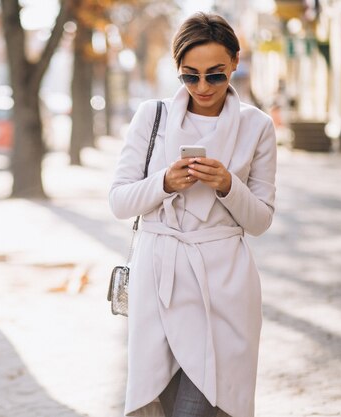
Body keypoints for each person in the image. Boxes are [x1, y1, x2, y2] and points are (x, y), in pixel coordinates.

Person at [109, 12, 277, 417]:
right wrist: (164, 182)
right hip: (159, 281)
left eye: (216, 75)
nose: (203, 87)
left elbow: (260, 221)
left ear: (235, 63)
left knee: (204, 405)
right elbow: (119, 202)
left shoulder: (257, 126)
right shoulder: (152, 117)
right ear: (178, 70)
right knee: (157, 405)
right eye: (190, 75)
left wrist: (227, 186)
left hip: (225, 285)